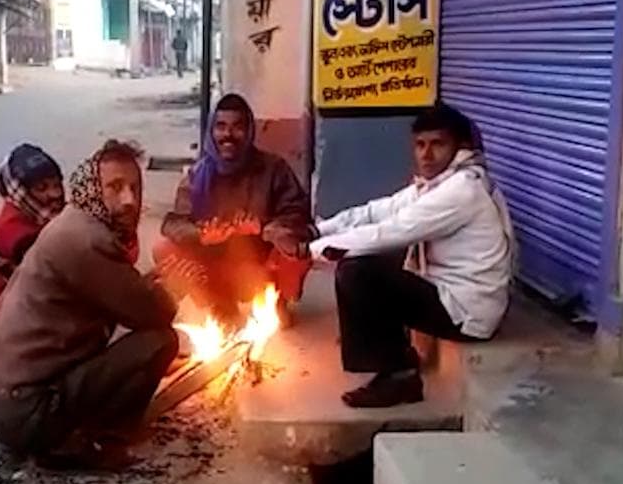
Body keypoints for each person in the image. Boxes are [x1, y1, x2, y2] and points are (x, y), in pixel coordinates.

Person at [0, 140, 179, 468]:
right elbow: (154, 314)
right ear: (92, 188)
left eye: (136, 188)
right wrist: (178, 287)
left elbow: (122, 291)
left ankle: (64, 429)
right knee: (160, 341)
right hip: (21, 412)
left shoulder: (73, 221)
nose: (129, 201)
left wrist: (153, 284)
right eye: (115, 187)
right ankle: (99, 438)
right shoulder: (88, 241)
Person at [310, 103, 514, 409]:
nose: (426, 155)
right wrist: (317, 231)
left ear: (460, 147)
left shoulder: (461, 191)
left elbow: (390, 232)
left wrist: (309, 251)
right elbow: (378, 211)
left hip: (467, 312)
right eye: (420, 145)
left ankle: (400, 376)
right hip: (449, 294)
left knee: (358, 272)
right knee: (370, 261)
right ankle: (390, 356)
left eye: (437, 144)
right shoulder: (436, 185)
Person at [155, 93, 315, 324]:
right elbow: (174, 223)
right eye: (221, 127)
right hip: (215, 265)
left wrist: (263, 228)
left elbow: (298, 214)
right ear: (211, 131)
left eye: (237, 127)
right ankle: (219, 304)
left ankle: (277, 303)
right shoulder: (197, 175)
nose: (228, 135)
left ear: (249, 131)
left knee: (298, 249)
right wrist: (202, 235)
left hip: (260, 266)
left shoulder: (274, 168)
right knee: (165, 249)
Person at [0, 144, 65, 342]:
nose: (54, 194)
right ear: (19, 191)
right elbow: (58, 266)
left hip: (17, 305)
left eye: (56, 185)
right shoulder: (13, 230)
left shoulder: (38, 216)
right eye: (41, 188)